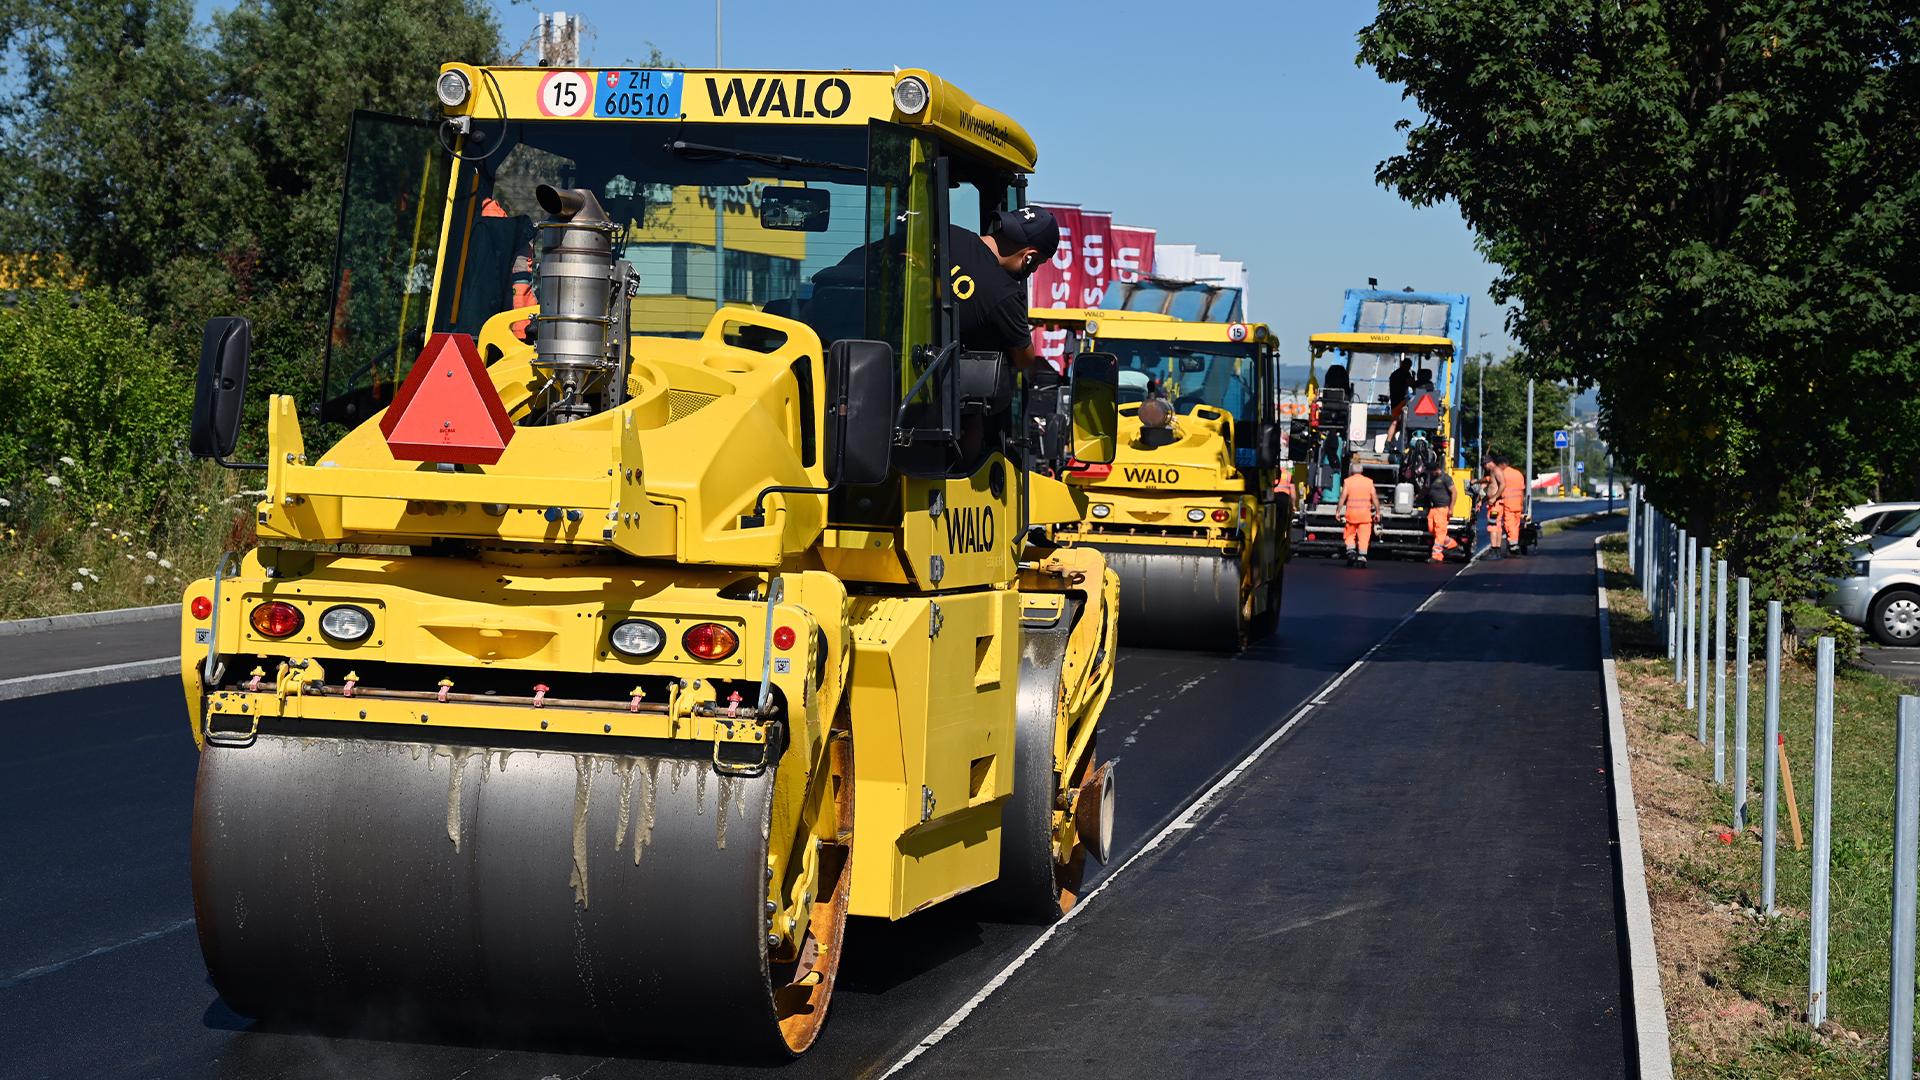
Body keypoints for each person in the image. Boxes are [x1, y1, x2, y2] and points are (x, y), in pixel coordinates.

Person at [1337, 460, 1380, 567]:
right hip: (1365, 515)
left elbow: (1343, 497)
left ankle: (1351, 552)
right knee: (1364, 537)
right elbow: (1374, 497)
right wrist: (1378, 512)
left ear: (1351, 470)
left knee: (1350, 534)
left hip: (1351, 514)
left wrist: (1338, 511)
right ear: (1362, 470)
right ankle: (1362, 557)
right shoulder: (1369, 482)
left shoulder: (1348, 481)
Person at [1496, 453, 1528, 556]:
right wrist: (1522, 504)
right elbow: (1522, 490)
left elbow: (1497, 486)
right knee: (1516, 524)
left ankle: (1513, 544)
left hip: (1508, 503)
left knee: (1509, 525)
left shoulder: (1503, 474)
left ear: (1502, 464)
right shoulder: (1518, 473)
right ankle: (1513, 543)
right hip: (1518, 504)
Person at [1424, 467, 1458, 563]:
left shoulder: (1446, 478)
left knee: (1439, 532)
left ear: (1437, 469)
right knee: (1432, 530)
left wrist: (1451, 508)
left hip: (1442, 508)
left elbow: (1454, 492)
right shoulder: (1430, 477)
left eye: (1432, 471)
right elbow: (1426, 488)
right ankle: (1451, 543)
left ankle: (1437, 557)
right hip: (1433, 509)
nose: (1431, 473)